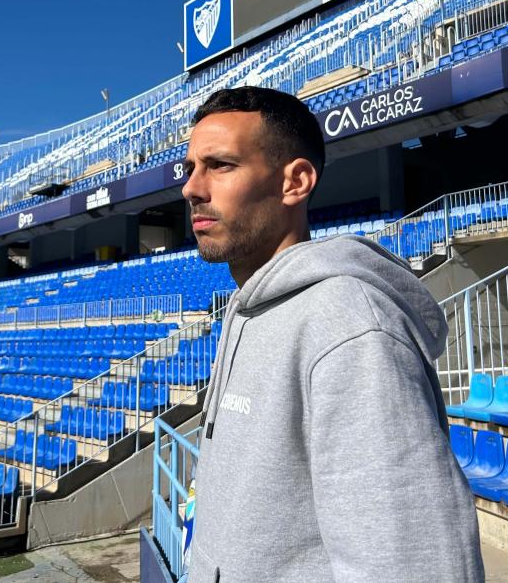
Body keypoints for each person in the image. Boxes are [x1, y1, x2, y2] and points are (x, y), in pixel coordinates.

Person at [182, 86, 484, 583]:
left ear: (295, 182)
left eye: (221, 165)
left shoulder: (349, 325)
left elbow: (410, 564)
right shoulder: (246, 309)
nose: (192, 188)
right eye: (190, 168)